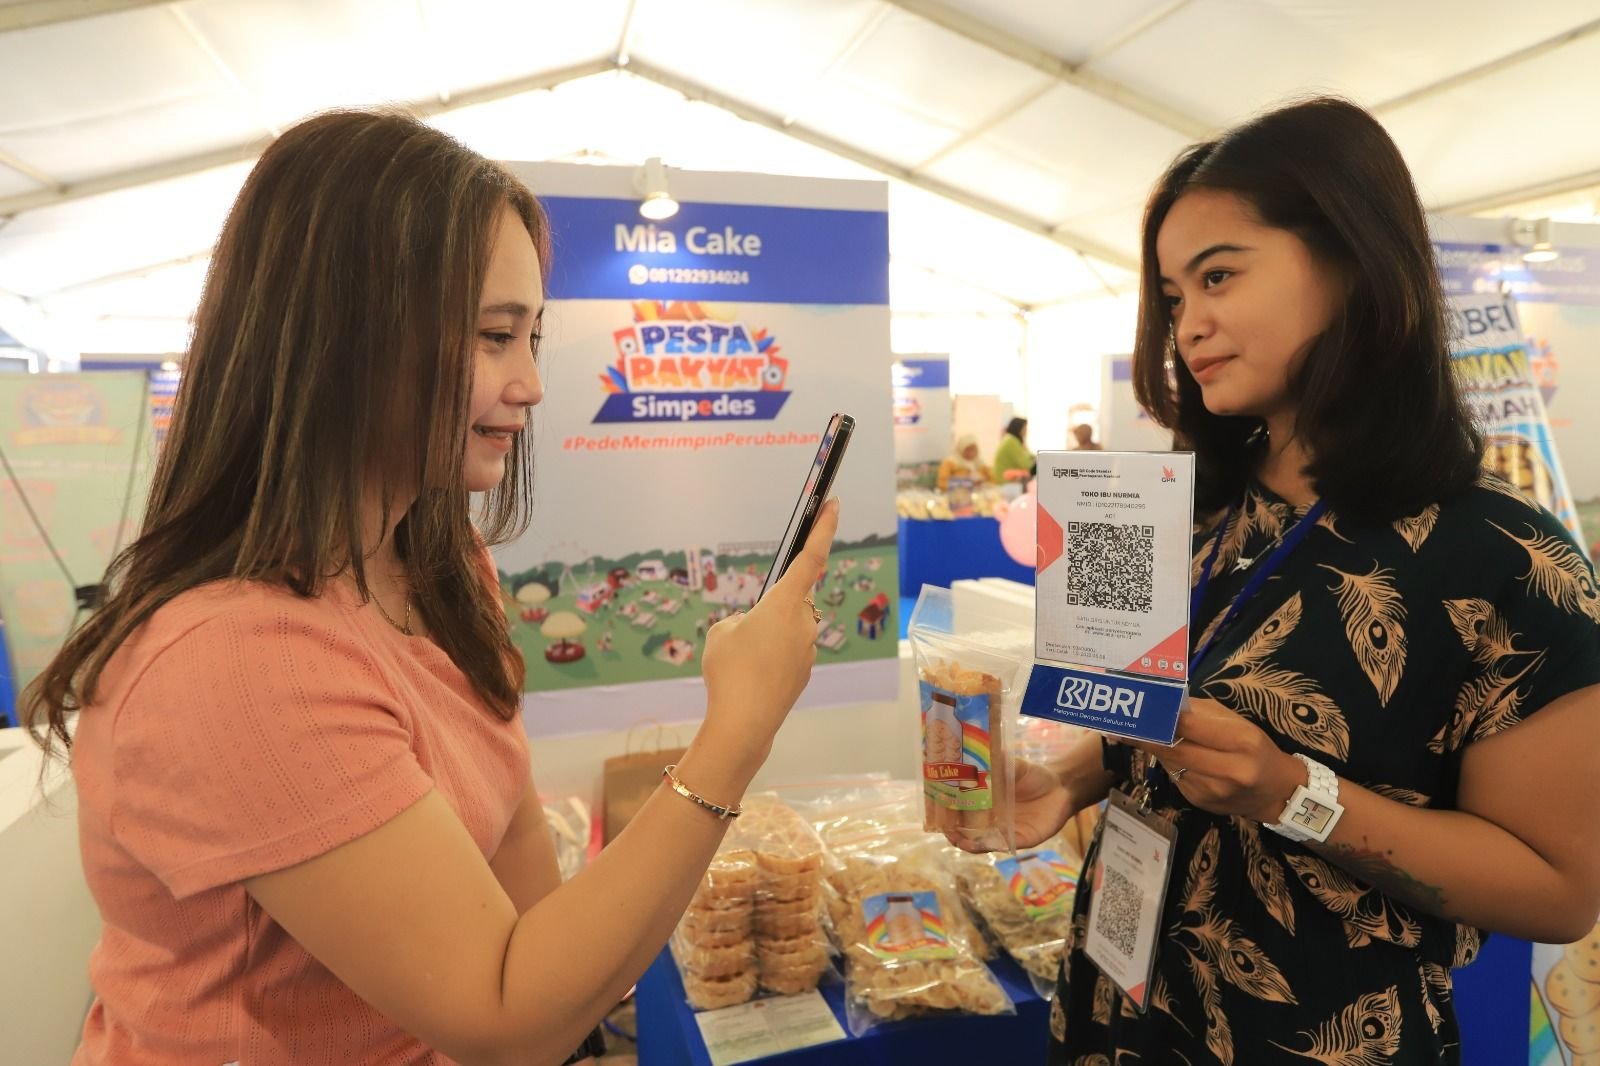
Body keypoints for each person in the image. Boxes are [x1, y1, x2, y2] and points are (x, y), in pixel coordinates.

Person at [25, 109, 839, 1066]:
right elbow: (506, 1016)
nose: (532, 384)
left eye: (532, 335)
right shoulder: (237, 659)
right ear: (341, 336)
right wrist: (735, 734)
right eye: (496, 336)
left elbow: (528, 909)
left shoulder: (440, 570)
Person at [979, 97, 1600, 1065]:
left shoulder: (1512, 562)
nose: (1189, 323)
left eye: (1218, 274)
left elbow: (1557, 887)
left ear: (1352, 257)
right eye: (1174, 296)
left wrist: (1291, 791)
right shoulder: (1172, 508)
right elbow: (1150, 716)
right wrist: (1060, 782)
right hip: (1118, 1001)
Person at [992, 416, 1035, 482]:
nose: (1026, 430)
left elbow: (1028, 457)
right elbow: (1025, 464)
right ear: (1018, 428)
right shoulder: (1011, 441)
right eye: (1025, 428)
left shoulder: (1011, 439)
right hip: (1004, 480)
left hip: (1006, 477)